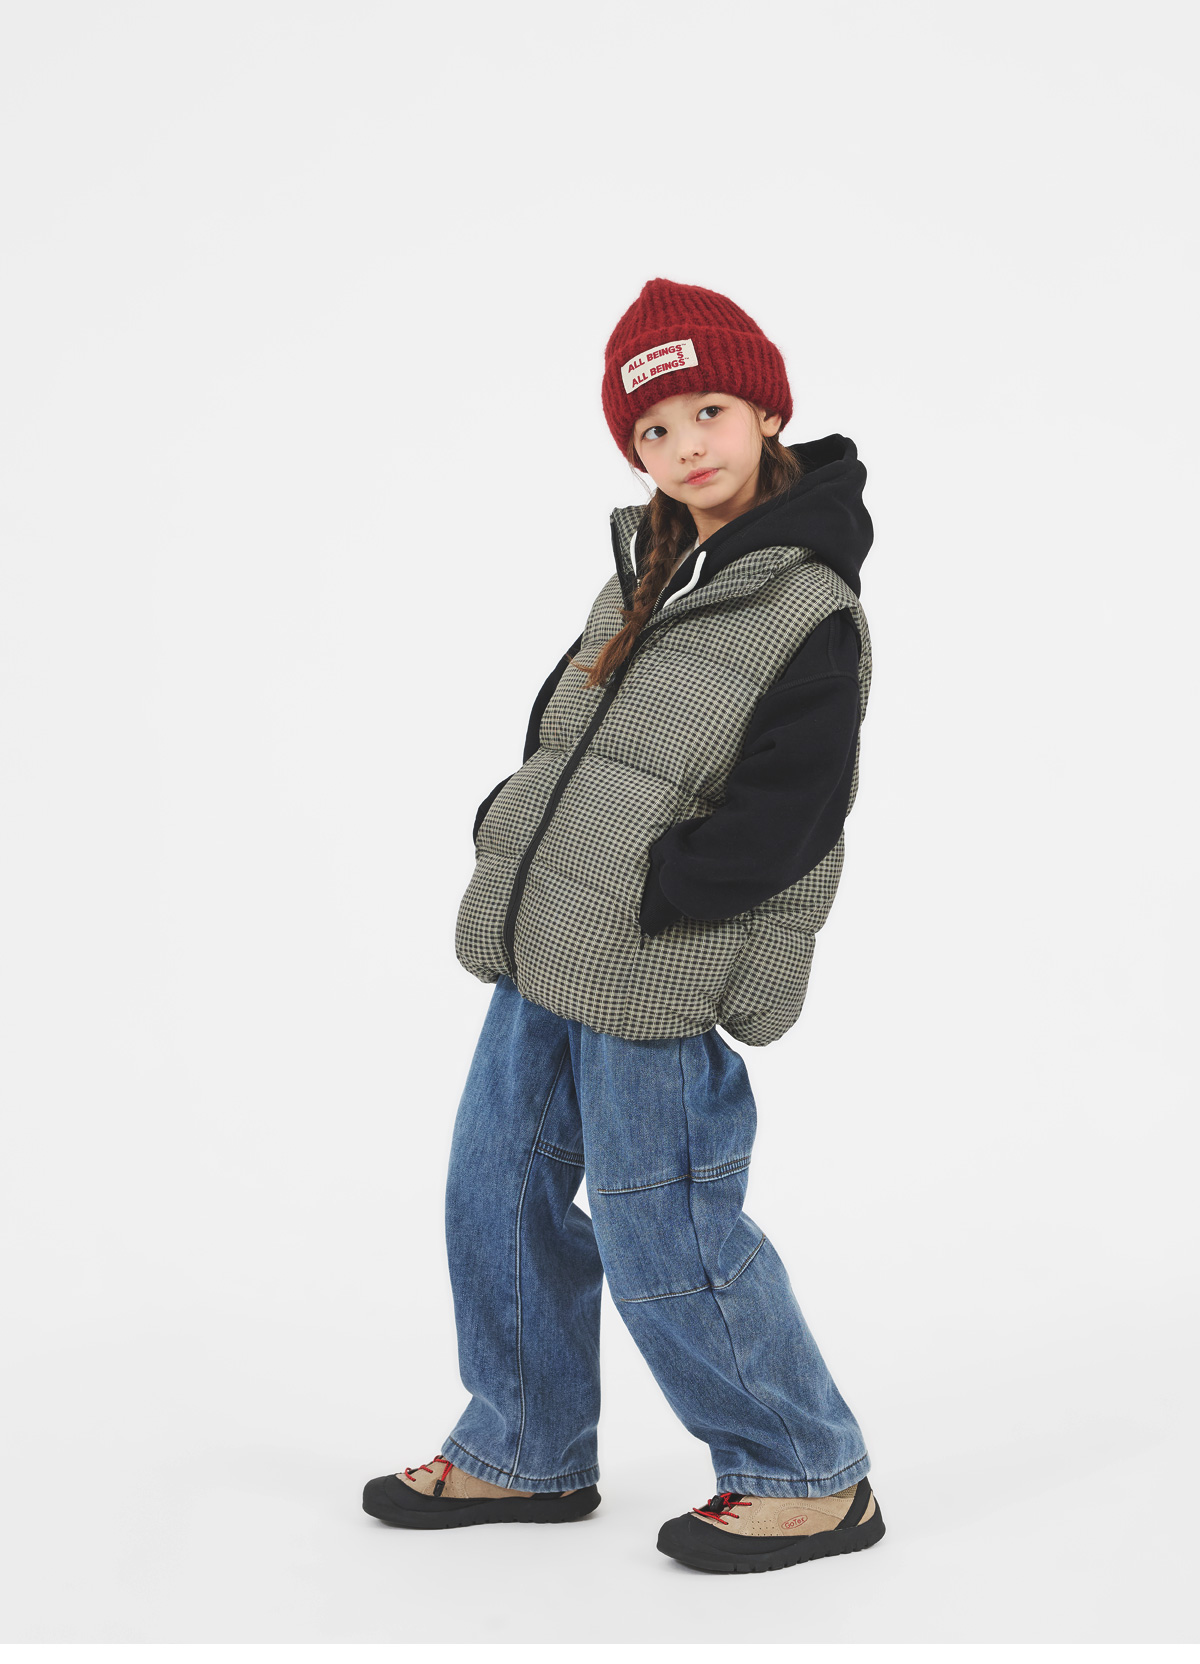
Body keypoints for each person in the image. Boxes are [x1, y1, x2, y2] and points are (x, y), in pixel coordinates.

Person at [362, 278, 885, 1575]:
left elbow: (799, 804)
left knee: (669, 1222)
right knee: (495, 1189)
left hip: (652, 958)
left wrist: (667, 890)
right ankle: (525, 1445)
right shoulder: (645, 570)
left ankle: (806, 1473)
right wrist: (512, 822)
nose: (685, 446)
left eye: (708, 411)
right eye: (653, 429)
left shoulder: (807, 601)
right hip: (551, 937)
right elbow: (567, 731)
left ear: (766, 412)